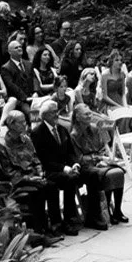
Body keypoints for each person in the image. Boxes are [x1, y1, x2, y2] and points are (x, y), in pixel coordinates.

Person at [29, 97, 87, 235]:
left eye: (57, 111)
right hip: (49, 170)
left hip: (65, 169)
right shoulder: (37, 133)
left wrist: (74, 164)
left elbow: (70, 152)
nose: (57, 114)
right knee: (62, 182)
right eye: (53, 112)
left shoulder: (62, 129)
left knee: (78, 176)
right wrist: (63, 168)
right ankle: (57, 222)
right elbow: (43, 159)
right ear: (45, 115)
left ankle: (71, 218)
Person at [71, 88, 130, 224]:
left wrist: (104, 157)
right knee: (108, 175)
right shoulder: (74, 135)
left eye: (90, 114)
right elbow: (78, 158)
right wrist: (97, 159)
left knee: (118, 172)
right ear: (78, 117)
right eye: (86, 115)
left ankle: (117, 210)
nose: (89, 116)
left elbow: (102, 148)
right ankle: (107, 211)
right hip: (86, 166)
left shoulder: (95, 128)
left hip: (99, 162)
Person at [0, 107, 54, 235]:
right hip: (18, 182)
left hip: (32, 176)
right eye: (21, 122)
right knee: (36, 192)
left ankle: (50, 226)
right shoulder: (3, 145)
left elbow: (35, 158)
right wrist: (29, 179)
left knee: (51, 186)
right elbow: (8, 172)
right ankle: (36, 232)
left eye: (25, 121)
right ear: (11, 125)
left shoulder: (26, 139)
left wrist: (40, 172)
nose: (25, 124)